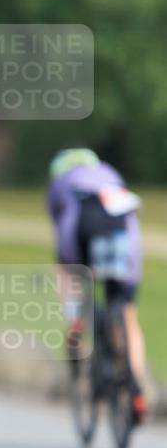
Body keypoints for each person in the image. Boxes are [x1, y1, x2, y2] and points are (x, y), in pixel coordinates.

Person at [46, 148, 146, 422]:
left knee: (69, 272)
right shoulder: (110, 174)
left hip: (79, 232)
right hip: (124, 238)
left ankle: (75, 321)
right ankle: (135, 387)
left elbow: (59, 228)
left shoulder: (60, 183)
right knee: (126, 312)